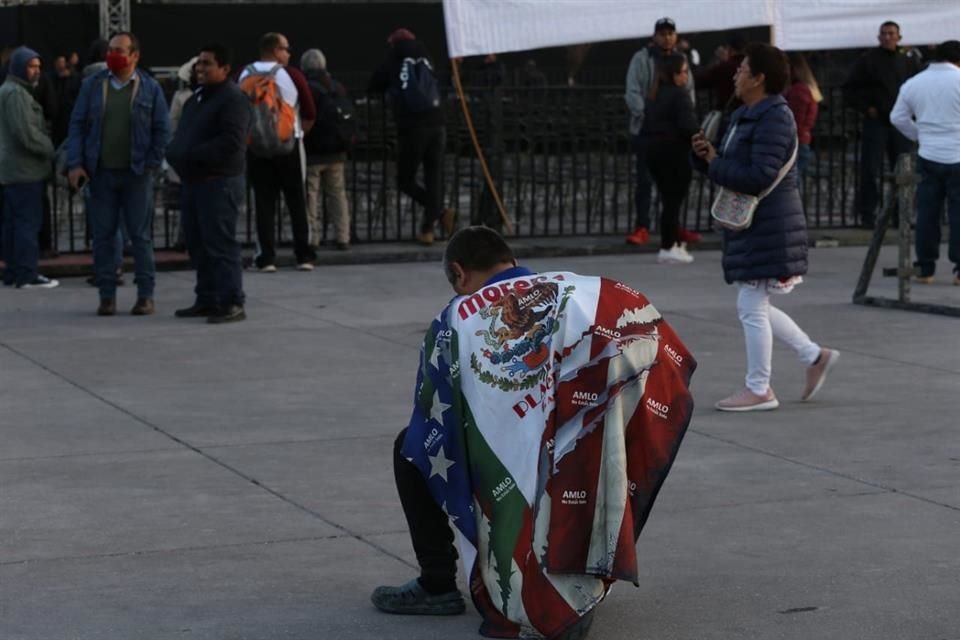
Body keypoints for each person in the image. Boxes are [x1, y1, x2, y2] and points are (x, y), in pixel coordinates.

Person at [371, 226, 696, 639]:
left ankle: (438, 582)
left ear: (458, 272)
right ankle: (581, 577)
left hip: (540, 430)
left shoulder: (457, 317)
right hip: (608, 397)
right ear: (509, 258)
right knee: (593, 457)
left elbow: (437, 412)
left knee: (411, 447)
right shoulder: (586, 287)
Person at [691, 43, 838, 411]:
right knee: (755, 302)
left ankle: (760, 388)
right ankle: (813, 356)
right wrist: (705, 157)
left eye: (742, 69)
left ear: (758, 78)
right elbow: (729, 165)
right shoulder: (746, 113)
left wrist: (715, 162)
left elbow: (759, 175)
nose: (736, 74)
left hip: (768, 221)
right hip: (756, 223)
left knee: (750, 303)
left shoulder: (774, 117)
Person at [66, 32, 169, 316]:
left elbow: (162, 130)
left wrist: (151, 162)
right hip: (101, 175)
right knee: (103, 237)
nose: (113, 55)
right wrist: (75, 163)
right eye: (111, 50)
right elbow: (76, 126)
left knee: (140, 237)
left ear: (135, 55)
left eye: (120, 50)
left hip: (137, 174)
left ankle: (145, 295)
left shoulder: (149, 88)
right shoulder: (93, 86)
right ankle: (106, 295)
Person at [166, 43, 252, 324]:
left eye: (207, 63)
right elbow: (184, 133)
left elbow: (232, 142)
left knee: (220, 243)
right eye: (199, 62)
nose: (200, 68)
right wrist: (177, 153)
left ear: (225, 69)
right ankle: (207, 297)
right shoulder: (198, 98)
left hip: (219, 182)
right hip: (194, 181)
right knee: (198, 243)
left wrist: (191, 155)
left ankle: (231, 300)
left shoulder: (233, 99)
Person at [369, 28, 456, 246]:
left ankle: (439, 211)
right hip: (438, 123)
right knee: (433, 176)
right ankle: (428, 228)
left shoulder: (395, 58)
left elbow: (374, 85)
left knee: (405, 179)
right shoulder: (426, 58)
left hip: (413, 126)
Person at [239, 32, 318, 272]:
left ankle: (266, 257)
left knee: (263, 202)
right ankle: (303, 255)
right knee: (296, 201)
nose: (288, 53)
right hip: (288, 144)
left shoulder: (244, 74)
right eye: (285, 48)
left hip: (256, 147)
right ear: (275, 50)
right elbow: (309, 109)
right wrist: (299, 131)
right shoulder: (290, 74)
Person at [890, 40, 960, 286]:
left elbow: (897, 117)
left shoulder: (914, 83)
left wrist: (921, 134)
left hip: (928, 154)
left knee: (927, 213)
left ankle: (925, 267)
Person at [624, 17, 697, 246]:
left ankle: (673, 226)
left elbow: (689, 89)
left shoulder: (680, 59)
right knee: (645, 180)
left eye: (670, 33)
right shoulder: (642, 58)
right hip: (648, 130)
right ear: (655, 35)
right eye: (663, 33)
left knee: (673, 185)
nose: (667, 37)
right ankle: (643, 225)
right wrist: (646, 113)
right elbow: (632, 90)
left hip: (673, 133)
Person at [844, 21, 922, 228]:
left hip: (901, 122)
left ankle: (901, 215)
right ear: (879, 37)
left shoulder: (907, 61)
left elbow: (917, 87)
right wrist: (867, 108)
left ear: (899, 37)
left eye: (891, 33)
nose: (887, 37)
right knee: (870, 169)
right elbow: (850, 90)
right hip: (877, 121)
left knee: (903, 170)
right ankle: (868, 215)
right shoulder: (868, 61)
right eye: (884, 34)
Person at [0, 46, 59, 289]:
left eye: (38, 66)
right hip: (25, 170)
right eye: (31, 66)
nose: (36, 71)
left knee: (13, 223)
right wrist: (50, 149)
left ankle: (14, 272)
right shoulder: (15, 94)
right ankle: (26, 273)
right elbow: (26, 134)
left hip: (15, 171)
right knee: (27, 223)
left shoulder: (12, 91)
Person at [642, 54, 698, 264]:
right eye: (683, 72)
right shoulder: (679, 95)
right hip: (674, 152)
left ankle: (672, 242)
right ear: (675, 75)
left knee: (668, 199)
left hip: (655, 152)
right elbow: (687, 126)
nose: (686, 76)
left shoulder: (655, 94)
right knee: (674, 200)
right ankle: (668, 244)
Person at [300, 48, 352, 251]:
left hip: (313, 151)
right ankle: (343, 236)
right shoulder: (336, 86)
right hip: (337, 150)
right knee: (337, 194)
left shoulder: (306, 88)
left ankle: (312, 237)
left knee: (310, 195)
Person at [784, 53, 823, 189]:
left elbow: (795, 121)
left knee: (792, 186)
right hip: (801, 141)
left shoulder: (798, 90)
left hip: (797, 142)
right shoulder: (805, 89)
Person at [695, 32, 746, 109]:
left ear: (729, 48)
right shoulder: (753, 65)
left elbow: (700, 81)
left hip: (729, 113)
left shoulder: (723, 67)